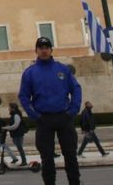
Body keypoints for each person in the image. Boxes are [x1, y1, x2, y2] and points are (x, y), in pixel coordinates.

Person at [19, 37, 81, 185]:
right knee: (47, 157)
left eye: (47, 47)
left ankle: (75, 182)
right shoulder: (30, 72)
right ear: (36, 51)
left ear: (51, 50)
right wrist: (34, 115)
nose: (44, 50)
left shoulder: (62, 69)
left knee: (70, 155)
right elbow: (24, 96)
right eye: (41, 47)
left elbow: (76, 89)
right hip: (43, 119)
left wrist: (73, 110)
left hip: (63, 117)